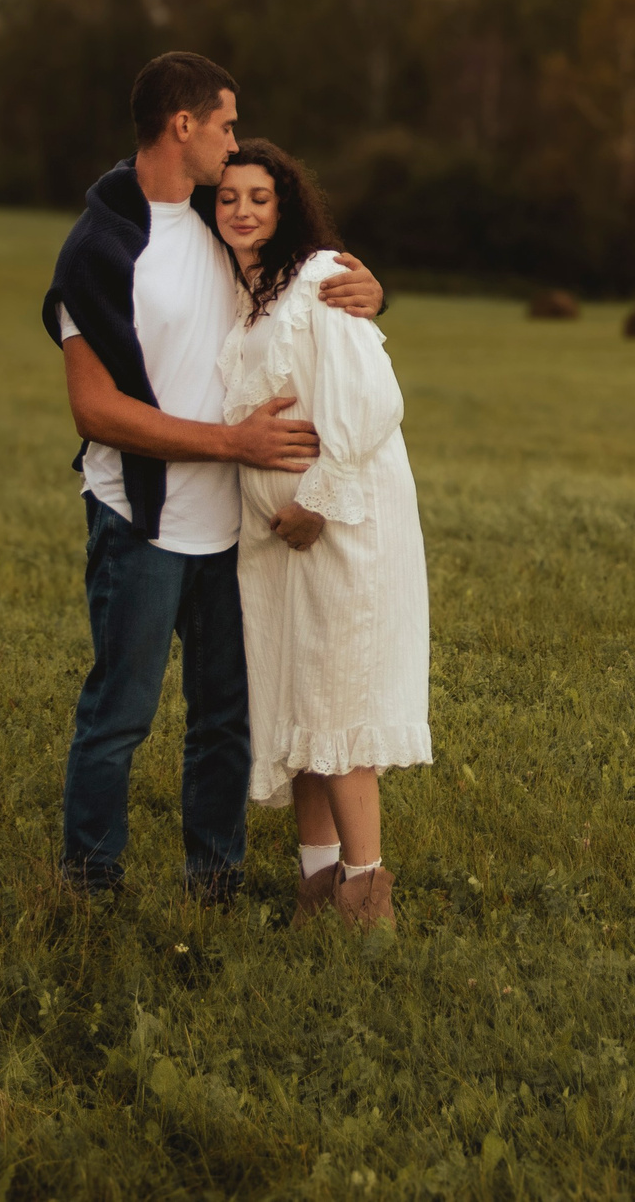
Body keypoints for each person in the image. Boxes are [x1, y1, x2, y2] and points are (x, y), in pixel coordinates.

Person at [41, 52, 384, 902]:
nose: (235, 143)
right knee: (119, 715)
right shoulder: (100, 249)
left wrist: (370, 287)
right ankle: (90, 884)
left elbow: (302, 281)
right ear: (182, 125)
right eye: (226, 124)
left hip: (231, 526)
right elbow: (95, 411)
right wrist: (232, 443)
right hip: (140, 520)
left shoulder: (215, 228)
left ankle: (216, 882)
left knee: (225, 721)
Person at [212, 138, 431, 932]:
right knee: (295, 702)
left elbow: (371, 403)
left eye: (258, 198)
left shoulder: (316, 280)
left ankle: (368, 899)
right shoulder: (251, 293)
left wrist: (317, 500)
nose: (240, 210)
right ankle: (315, 887)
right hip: (276, 546)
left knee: (338, 706)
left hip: (339, 529)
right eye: (228, 196)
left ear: (287, 205)